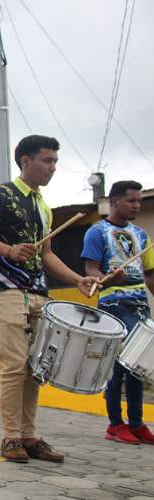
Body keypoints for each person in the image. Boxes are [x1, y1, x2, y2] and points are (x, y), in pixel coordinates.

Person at [0, 134, 98, 463]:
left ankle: (29, 435)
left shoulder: (42, 205)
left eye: (55, 161)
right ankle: (10, 436)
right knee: (14, 364)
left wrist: (76, 279)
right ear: (25, 161)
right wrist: (9, 250)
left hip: (38, 292)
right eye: (47, 160)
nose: (52, 167)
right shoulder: (1, 196)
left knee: (35, 368)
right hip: (5, 288)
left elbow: (46, 254)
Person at [81, 180, 154, 445]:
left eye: (139, 201)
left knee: (137, 366)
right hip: (113, 305)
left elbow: (149, 275)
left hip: (140, 305)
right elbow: (91, 272)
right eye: (131, 201)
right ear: (114, 201)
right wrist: (109, 278)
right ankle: (115, 424)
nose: (137, 205)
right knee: (118, 367)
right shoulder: (96, 232)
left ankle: (135, 423)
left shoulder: (142, 235)